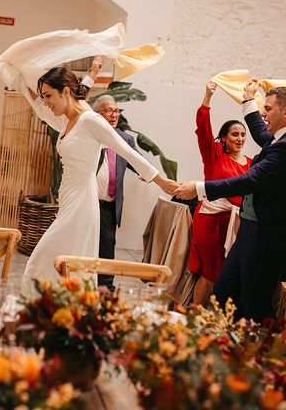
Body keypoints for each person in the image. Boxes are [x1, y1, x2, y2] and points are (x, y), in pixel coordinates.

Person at [174, 81, 286, 320]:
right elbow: (261, 133)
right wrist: (248, 99)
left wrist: (199, 189)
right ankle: (229, 345)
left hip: (266, 235)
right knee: (222, 294)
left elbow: (249, 181)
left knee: (253, 303)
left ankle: (257, 351)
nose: (263, 113)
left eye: (268, 109)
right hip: (250, 230)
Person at [21, 67, 178, 281]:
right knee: (65, 262)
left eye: (49, 95)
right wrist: (19, 76)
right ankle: (65, 309)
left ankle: (52, 305)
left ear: (66, 92)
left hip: (82, 201)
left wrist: (160, 180)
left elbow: (127, 150)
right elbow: (40, 108)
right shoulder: (67, 121)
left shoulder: (90, 120)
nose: (46, 101)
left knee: (39, 263)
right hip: (68, 198)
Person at [189, 81, 251, 306]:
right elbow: (203, 128)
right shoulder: (214, 154)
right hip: (211, 221)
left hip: (235, 223)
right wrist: (207, 97)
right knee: (209, 271)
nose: (240, 139)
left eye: (243, 134)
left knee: (228, 273)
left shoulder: (252, 164)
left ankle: (217, 319)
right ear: (223, 138)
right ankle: (196, 314)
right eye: (234, 134)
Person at [93, 94, 140, 289]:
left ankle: (105, 290)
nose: (114, 115)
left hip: (109, 205)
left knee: (107, 246)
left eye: (116, 111)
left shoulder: (125, 139)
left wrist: (148, 174)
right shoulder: (91, 134)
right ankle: (77, 284)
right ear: (97, 113)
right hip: (88, 201)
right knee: (85, 243)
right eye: (109, 110)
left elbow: (138, 162)